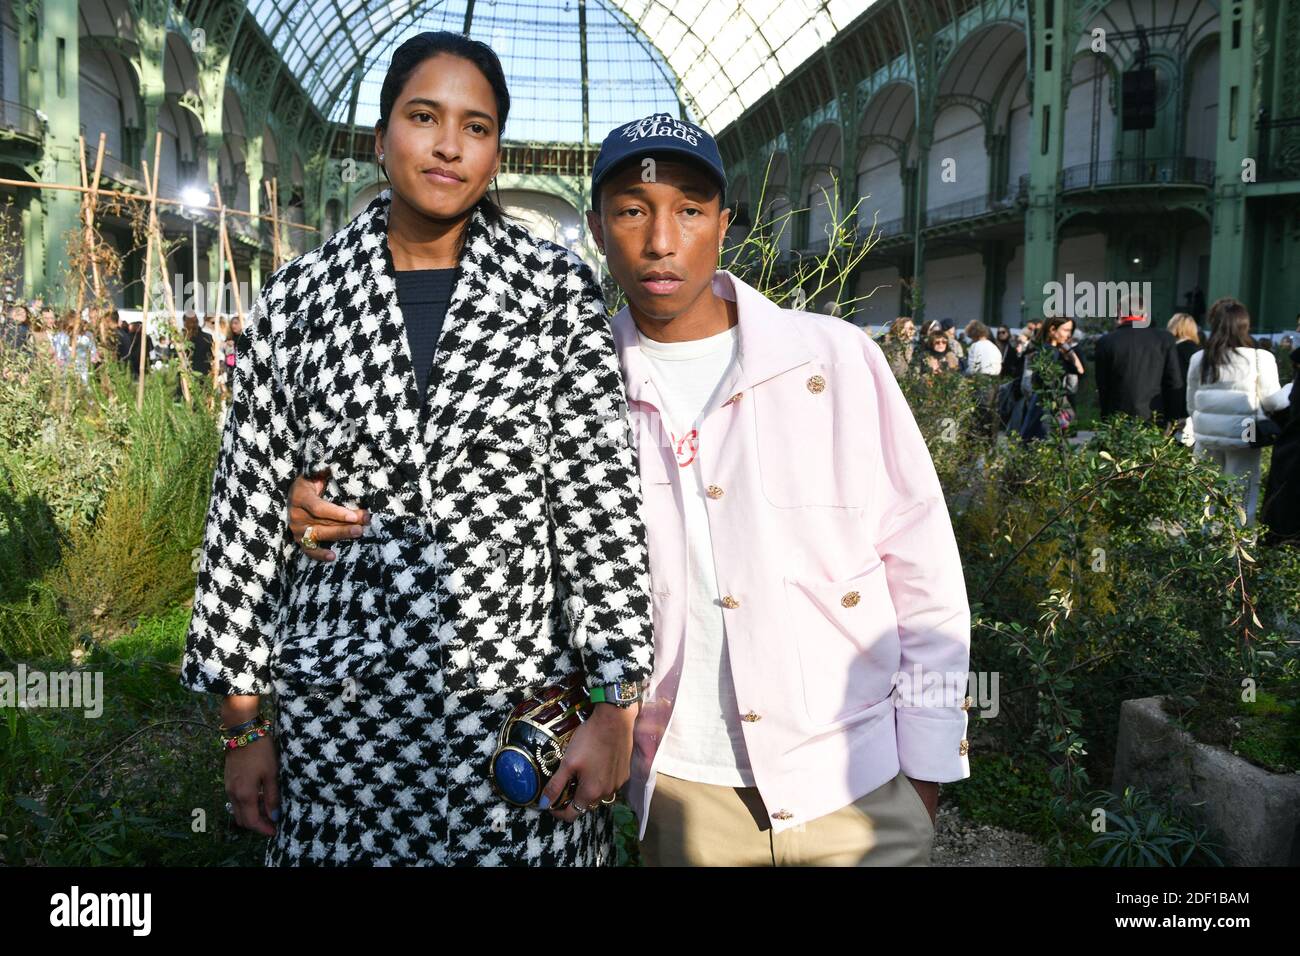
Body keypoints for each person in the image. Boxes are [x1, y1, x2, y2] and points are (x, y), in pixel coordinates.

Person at [292, 112, 970, 867]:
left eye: (689, 209)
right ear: (595, 226)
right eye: (631, 210)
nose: (660, 240)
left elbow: (924, 575)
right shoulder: (563, 384)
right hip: (686, 798)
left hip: (857, 781)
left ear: (723, 223)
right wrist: (323, 501)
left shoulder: (832, 363)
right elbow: (465, 512)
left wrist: (928, 771)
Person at [180, 31, 655, 866]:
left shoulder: (551, 291)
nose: (448, 145)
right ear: (381, 135)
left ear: (497, 153)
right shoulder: (299, 299)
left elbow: (597, 502)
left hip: (515, 724)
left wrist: (616, 705)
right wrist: (243, 726)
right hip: (342, 729)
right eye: (424, 116)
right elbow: (244, 517)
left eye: (476, 128)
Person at [1186, 297, 1290, 525]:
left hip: (1207, 434)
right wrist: (1289, 390)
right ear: (1244, 325)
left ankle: (1200, 547)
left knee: (1205, 492)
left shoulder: (1199, 359)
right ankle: (1239, 548)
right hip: (1247, 432)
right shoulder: (1260, 358)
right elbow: (1274, 403)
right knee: (1242, 493)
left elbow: (1192, 404)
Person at [1092, 304, 1183, 423]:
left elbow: (1102, 384)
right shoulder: (1165, 339)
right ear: (1145, 315)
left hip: (1117, 415)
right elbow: (1174, 381)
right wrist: (1173, 417)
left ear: (1119, 314)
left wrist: (1105, 416)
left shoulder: (1105, 342)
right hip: (1155, 415)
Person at [1261, 347, 1299, 545]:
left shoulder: (1202, 356)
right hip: (1247, 428)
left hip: (1238, 428)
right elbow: (1272, 401)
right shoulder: (1260, 357)